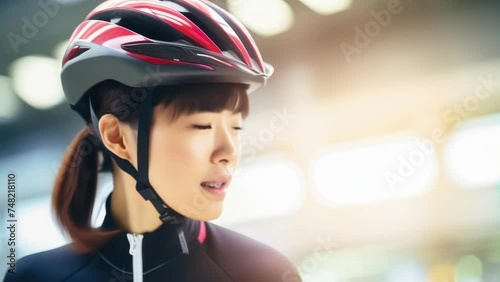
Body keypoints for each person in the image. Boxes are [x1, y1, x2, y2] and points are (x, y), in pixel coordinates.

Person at [3, 0, 301, 281]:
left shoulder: (264, 273)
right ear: (117, 137)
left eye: (236, 128)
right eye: (202, 126)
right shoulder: (35, 277)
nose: (229, 153)